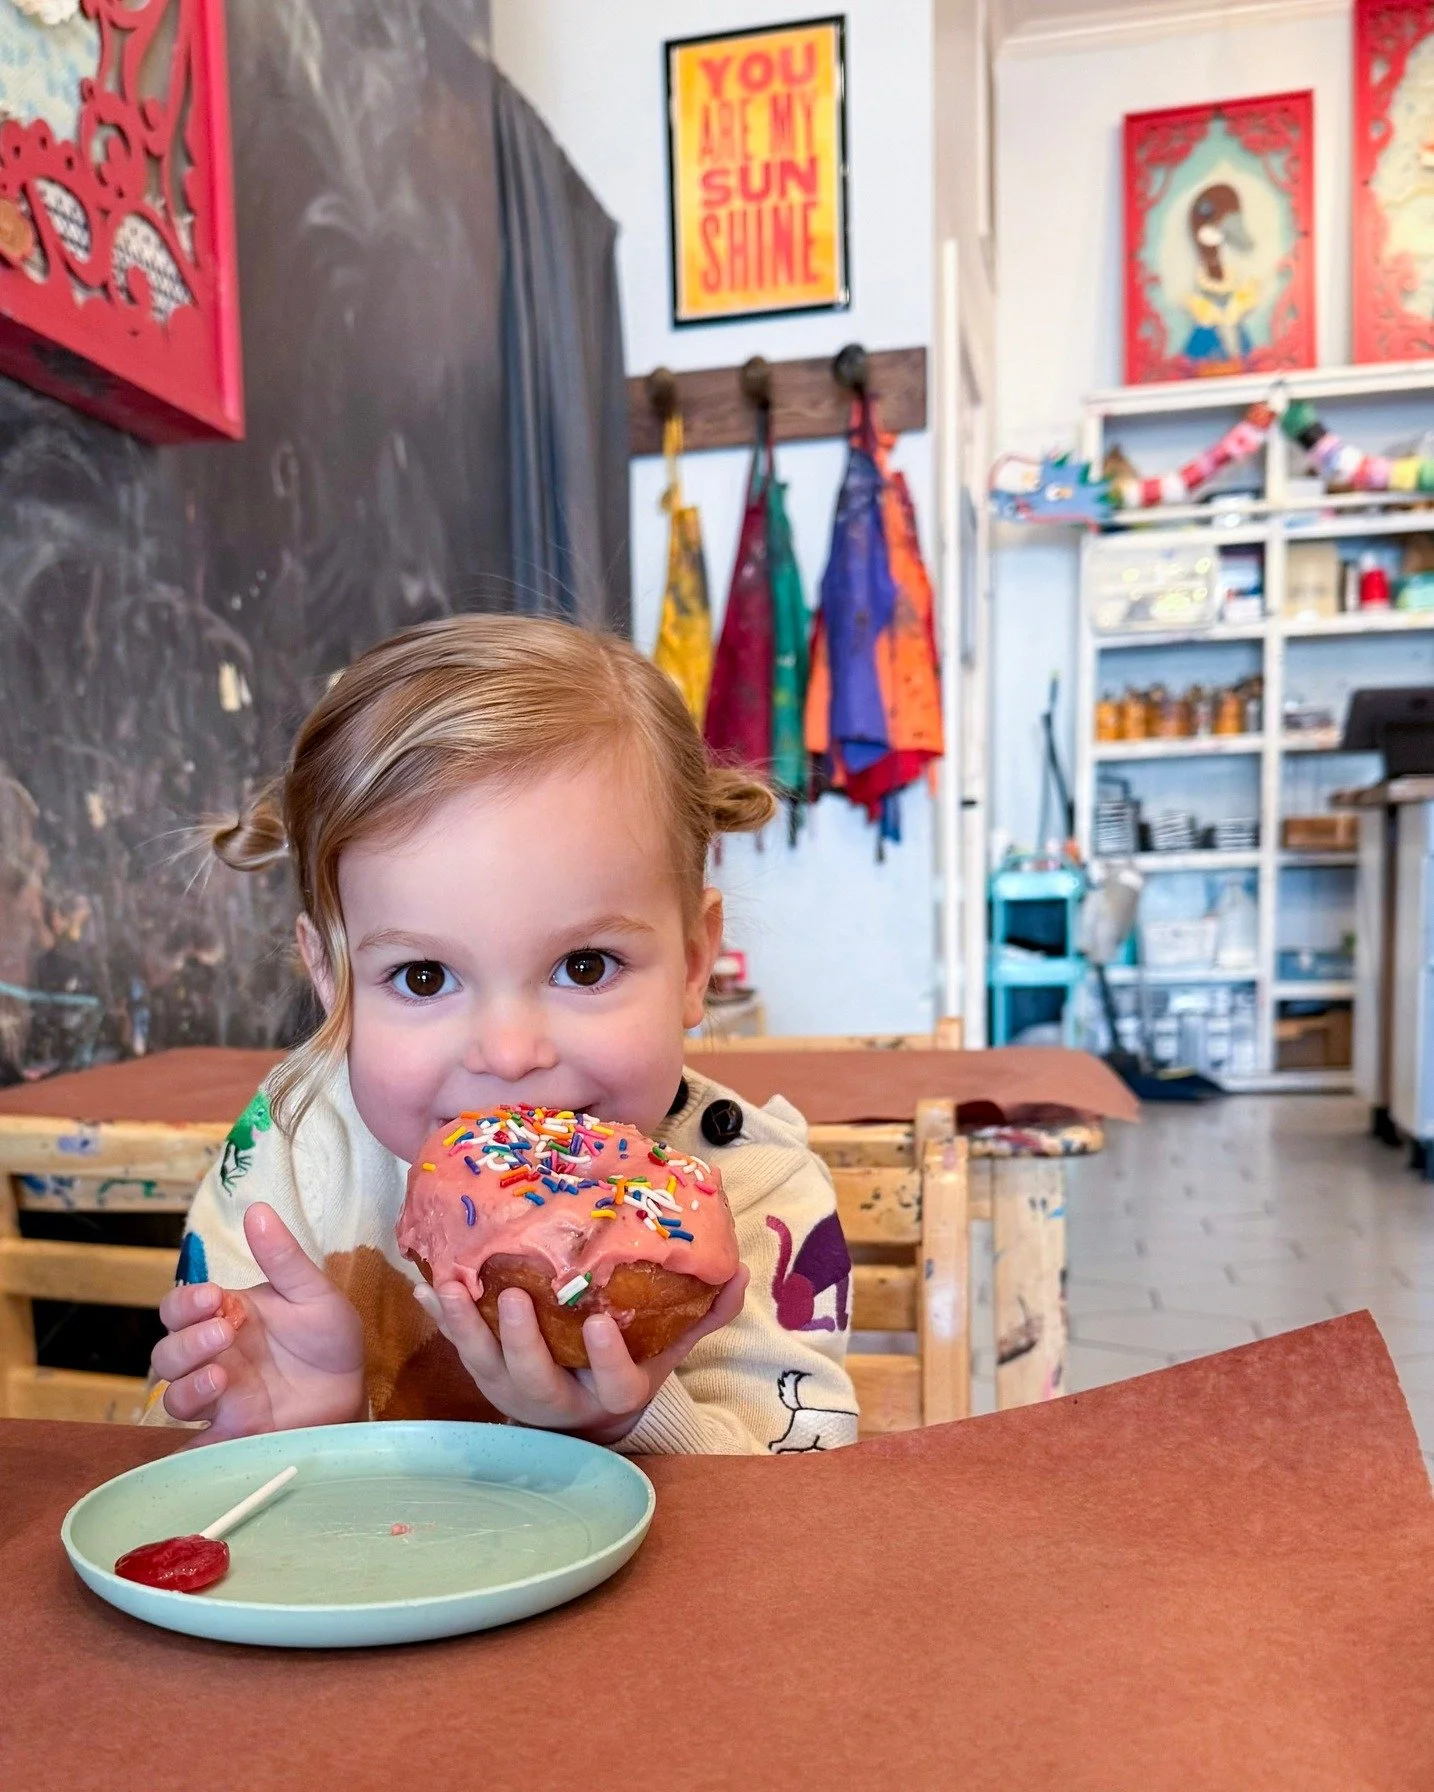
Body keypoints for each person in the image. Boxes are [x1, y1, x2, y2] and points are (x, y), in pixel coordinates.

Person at [150, 615, 857, 1454]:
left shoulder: (760, 1188)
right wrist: (297, 1430)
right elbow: (170, 1434)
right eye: (424, 977)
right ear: (331, 977)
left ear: (695, 962)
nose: (511, 1054)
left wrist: (628, 1423)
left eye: (585, 967)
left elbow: (803, 1485)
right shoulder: (290, 1158)